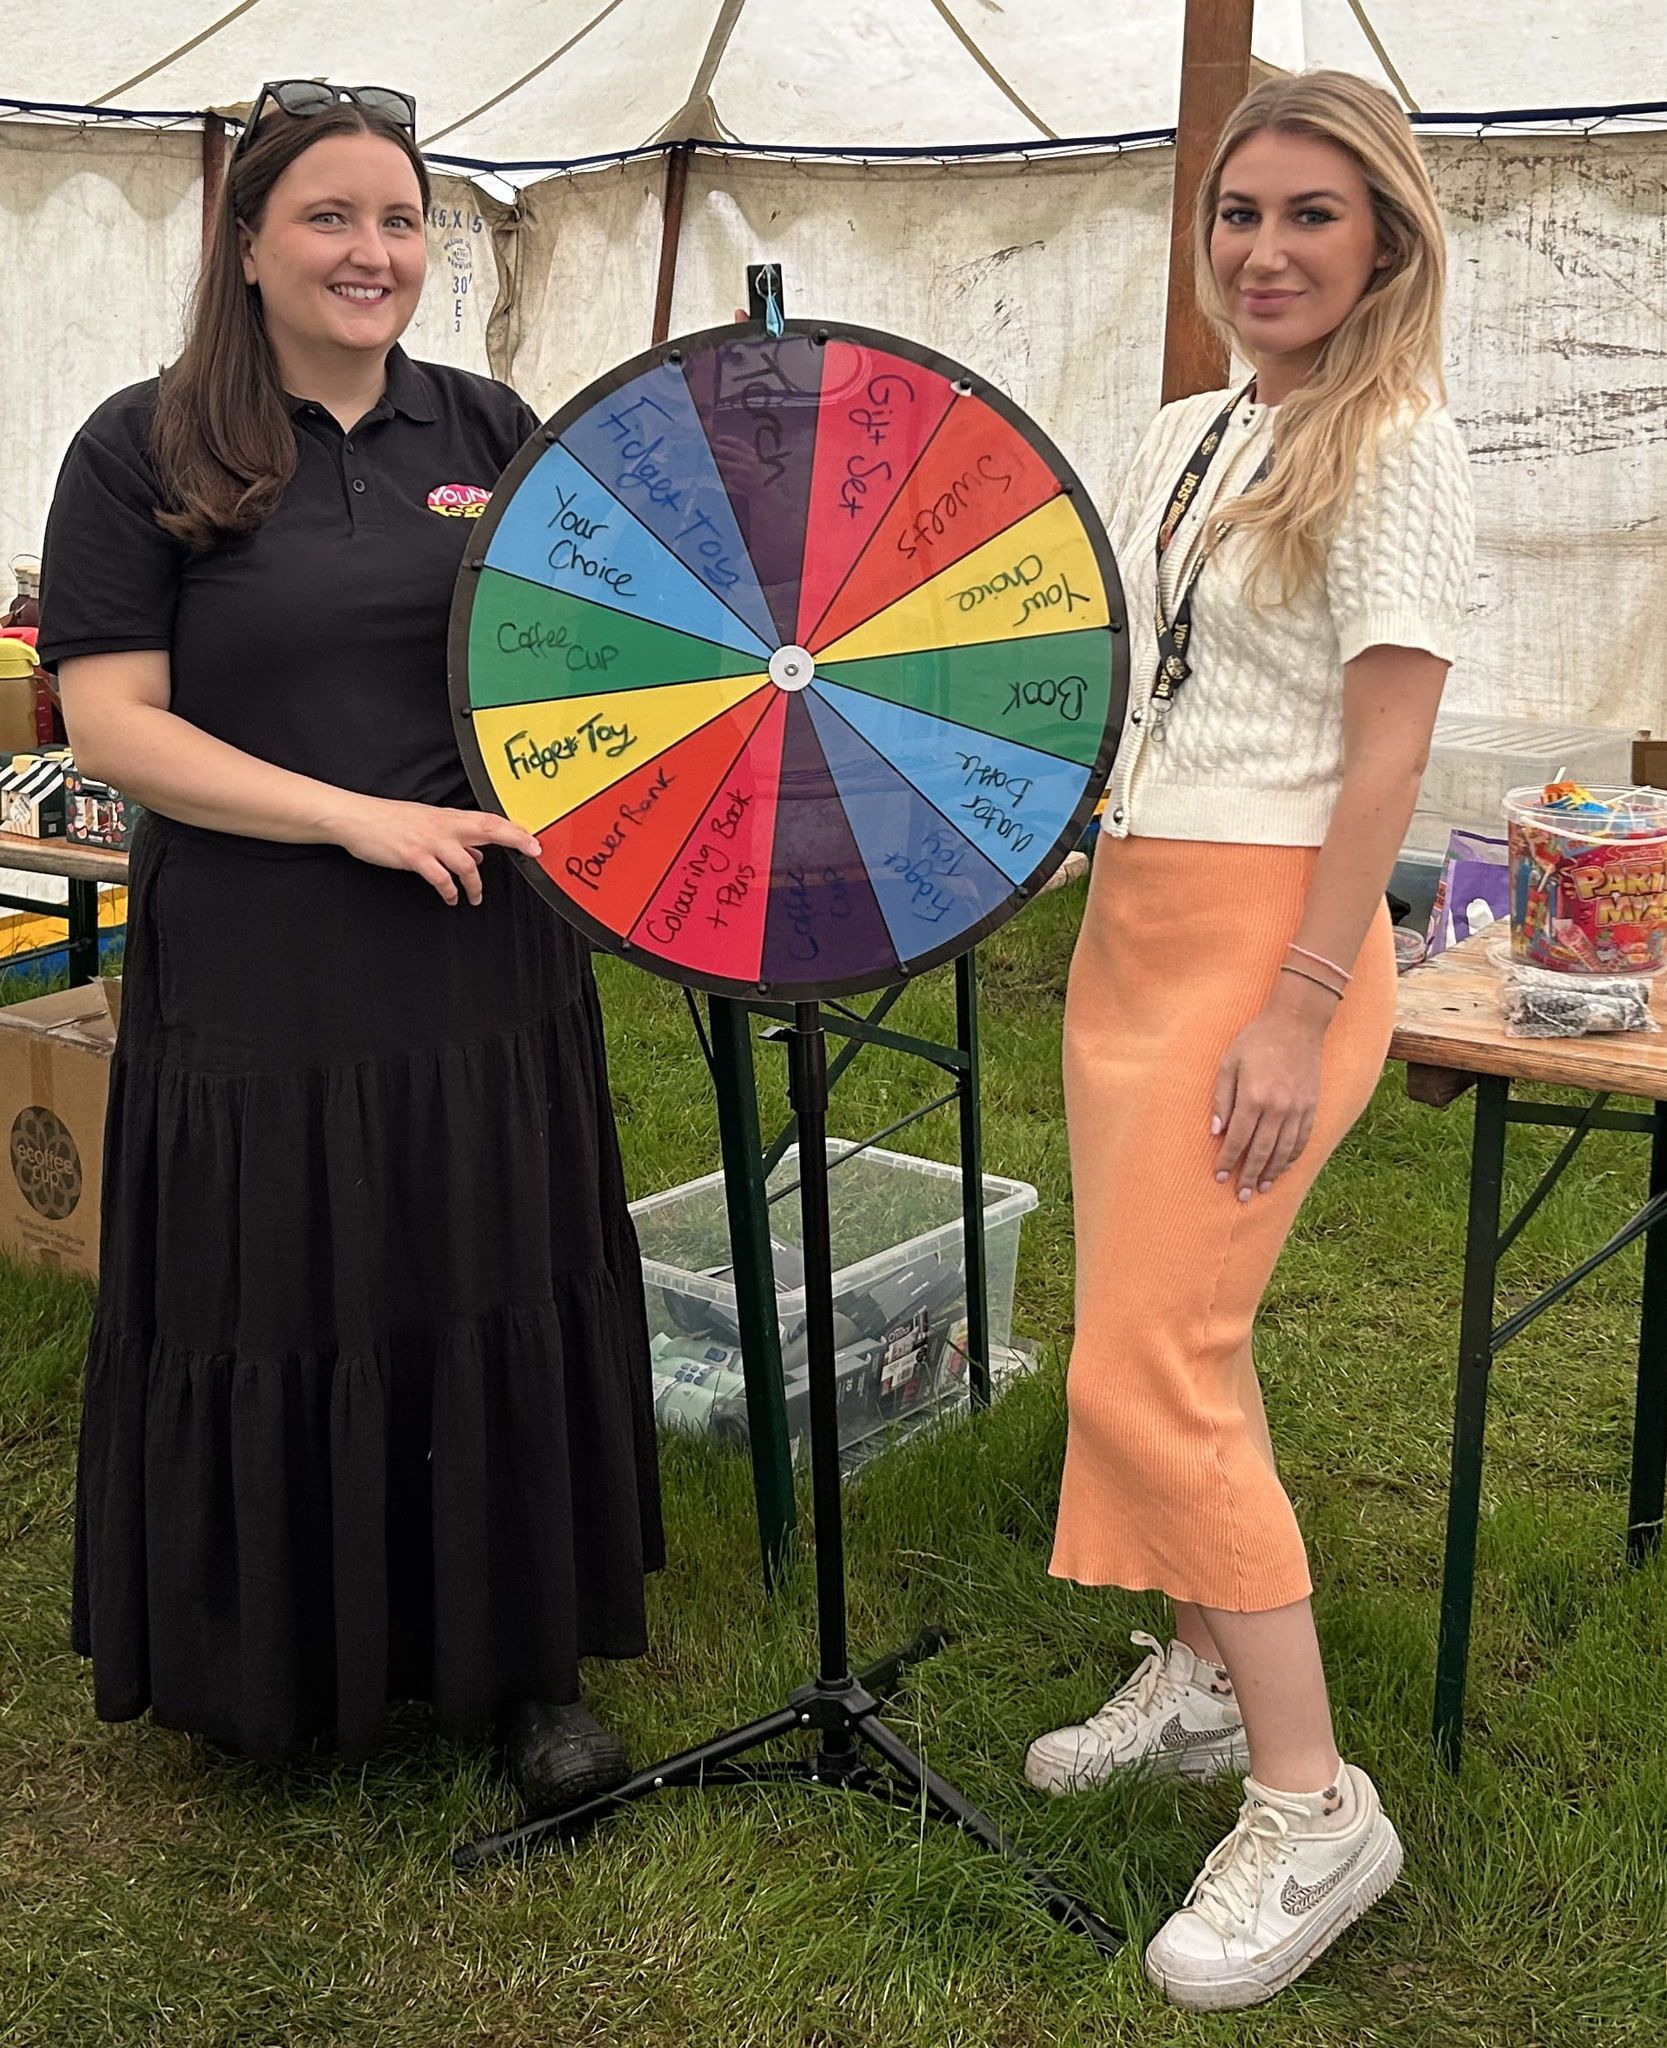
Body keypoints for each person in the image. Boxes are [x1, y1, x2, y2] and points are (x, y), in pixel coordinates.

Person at [37, 81, 662, 1807]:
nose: (372, 250)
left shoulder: (491, 425)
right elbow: (115, 724)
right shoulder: (141, 448)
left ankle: (521, 1664)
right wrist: (353, 817)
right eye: (330, 216)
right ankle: (285, 1666)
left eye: (400, 219)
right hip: (267, 970)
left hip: (484, 961)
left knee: (487, 1269)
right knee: (285, 1283)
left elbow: (601, 644)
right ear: (246, 244)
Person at [1025, 71, 1473, 2010]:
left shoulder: (1400, 442)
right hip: (1136, 911)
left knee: (1149, 1359)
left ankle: (1314, 1802)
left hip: (1269, 934)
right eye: (1239, 213)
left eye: (1311, 216)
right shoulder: (1186, 431)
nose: (1266, 251)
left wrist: (1301, 1000)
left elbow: (1388, 757)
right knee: (1163, 1327)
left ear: (1384, 240)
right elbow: (1141, 681)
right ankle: (1207, 1677)